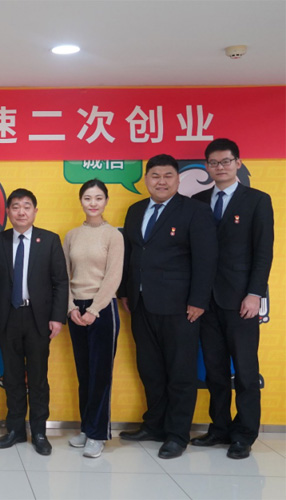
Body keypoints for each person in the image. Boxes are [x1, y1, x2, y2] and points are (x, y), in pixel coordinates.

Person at [118, 154, 217, 459]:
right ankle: (154, 425)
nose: (161, 182)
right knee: (150, 370)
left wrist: (198, 300)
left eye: (167, 176)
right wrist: (125, 292)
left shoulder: (195, 211)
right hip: (141, 304)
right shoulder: (135, 210)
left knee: (180, 372)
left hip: (180, 307)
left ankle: (177, 434)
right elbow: (130, 254)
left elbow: (206, 259)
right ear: (146, 179)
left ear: (177, 179)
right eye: (155, 176)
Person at [190, 138, 274, 459]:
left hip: (241, 301)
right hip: (206, 301)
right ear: (207, 167)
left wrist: (254, 294)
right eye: (213, 163)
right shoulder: (198, 201)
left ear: (238, 163)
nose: (220, 167)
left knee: (246, 371)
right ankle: (220, 428)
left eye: (226, 161)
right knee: (214, 370)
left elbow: (263, 253)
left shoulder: (257, 200)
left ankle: (245, 433)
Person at [0, 188, 68, 455]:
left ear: (35, 211)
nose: (21, 211)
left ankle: (39, 432)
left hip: (38, 319)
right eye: (16, 207)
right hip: (7, 317)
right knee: (12, 377)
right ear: (8, 212)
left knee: (38, 378)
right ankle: (15, 430)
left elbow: (60, 282)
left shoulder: (50, 240)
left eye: (27, 206)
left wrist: (57, 317)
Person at [63, 180, 124, 458]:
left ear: (106, 201)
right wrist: (71, 308)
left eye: (99, 198)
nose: (93, 203)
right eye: (88, 198)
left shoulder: (113, 235)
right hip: (76, 310)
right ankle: (87, 428)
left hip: (103, 309)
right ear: (81, 201)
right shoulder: (71, 235)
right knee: (84, 373)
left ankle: (98, 434)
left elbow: (113, 276)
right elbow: (64, 275)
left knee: (100, 375)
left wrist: (94, 309)